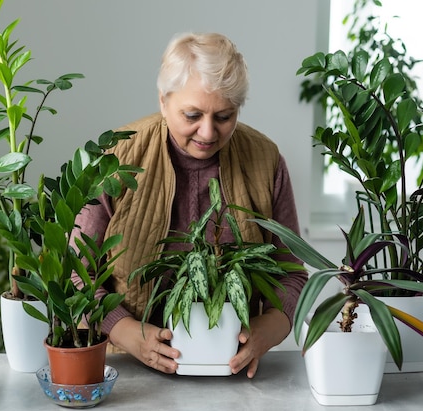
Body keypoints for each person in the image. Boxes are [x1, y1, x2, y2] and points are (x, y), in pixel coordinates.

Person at [70, 32, 307, 378]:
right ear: (163, 102)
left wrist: (265, 332)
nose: (208, 133)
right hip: (128, 373)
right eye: (192, 114)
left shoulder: (265, 159)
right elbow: (78, 274)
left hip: (234, 376)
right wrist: (126, 333)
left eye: (224, 117)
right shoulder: (116, 159)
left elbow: (291, 272)